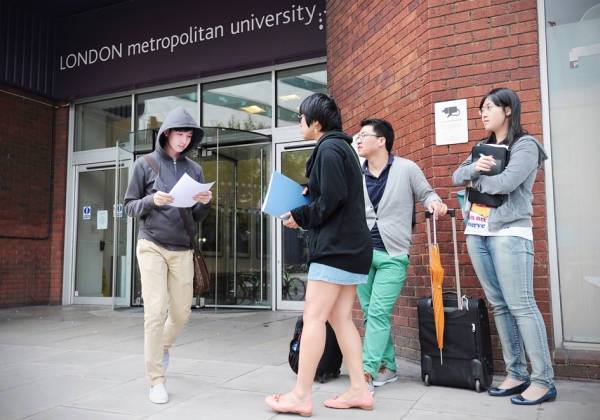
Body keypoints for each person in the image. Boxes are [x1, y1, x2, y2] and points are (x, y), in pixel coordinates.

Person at [264, 93, 374, 416]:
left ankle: (300, 394)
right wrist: (311, 191)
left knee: (314, 317)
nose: (299, 123)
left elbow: (333, 200)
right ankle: (359, 390)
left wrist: (302, 215)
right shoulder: (344, 149)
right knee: (340, 319)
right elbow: (334, 193)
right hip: (353, 248)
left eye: (301, 118)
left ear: (315, 123)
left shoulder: (327, 148)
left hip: (336, 249)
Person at [452, 87, 556, 405]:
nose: (483, 114)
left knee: (521, 304)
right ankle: (517, 373)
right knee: (499, 305)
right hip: (478, 230)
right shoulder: (482, 148)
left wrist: (477, 181)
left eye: (488, 108)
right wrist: (473, 170)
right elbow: (458, 177)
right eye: (480, 109)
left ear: (507, 109)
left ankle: (543, 380)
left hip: (510, 232)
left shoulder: (526, 145)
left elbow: (507, 183)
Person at [124, 107, 212, 404]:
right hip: (151, 244)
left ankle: (161, 347)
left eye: (189, 136)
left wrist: (205, 202)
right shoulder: (144, 164)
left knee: (181, 312)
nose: (184, 140)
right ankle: (156, 379)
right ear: (166, 133)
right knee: (155, 312)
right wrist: (151, 200)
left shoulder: (195, 169)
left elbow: (197, 216)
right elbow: (129, 207)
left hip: (182, 248)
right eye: (180, 134)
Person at [355, 118, 448, 394]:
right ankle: (389, 366)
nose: (357, 140)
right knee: (370, 314)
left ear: (381, 140)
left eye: (363, 135)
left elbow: (426, 193)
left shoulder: (407, 168)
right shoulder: (354, 172)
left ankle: (367, 372)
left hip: (393, 254)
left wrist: (434, 203)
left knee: (380, 313)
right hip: (360, 253)